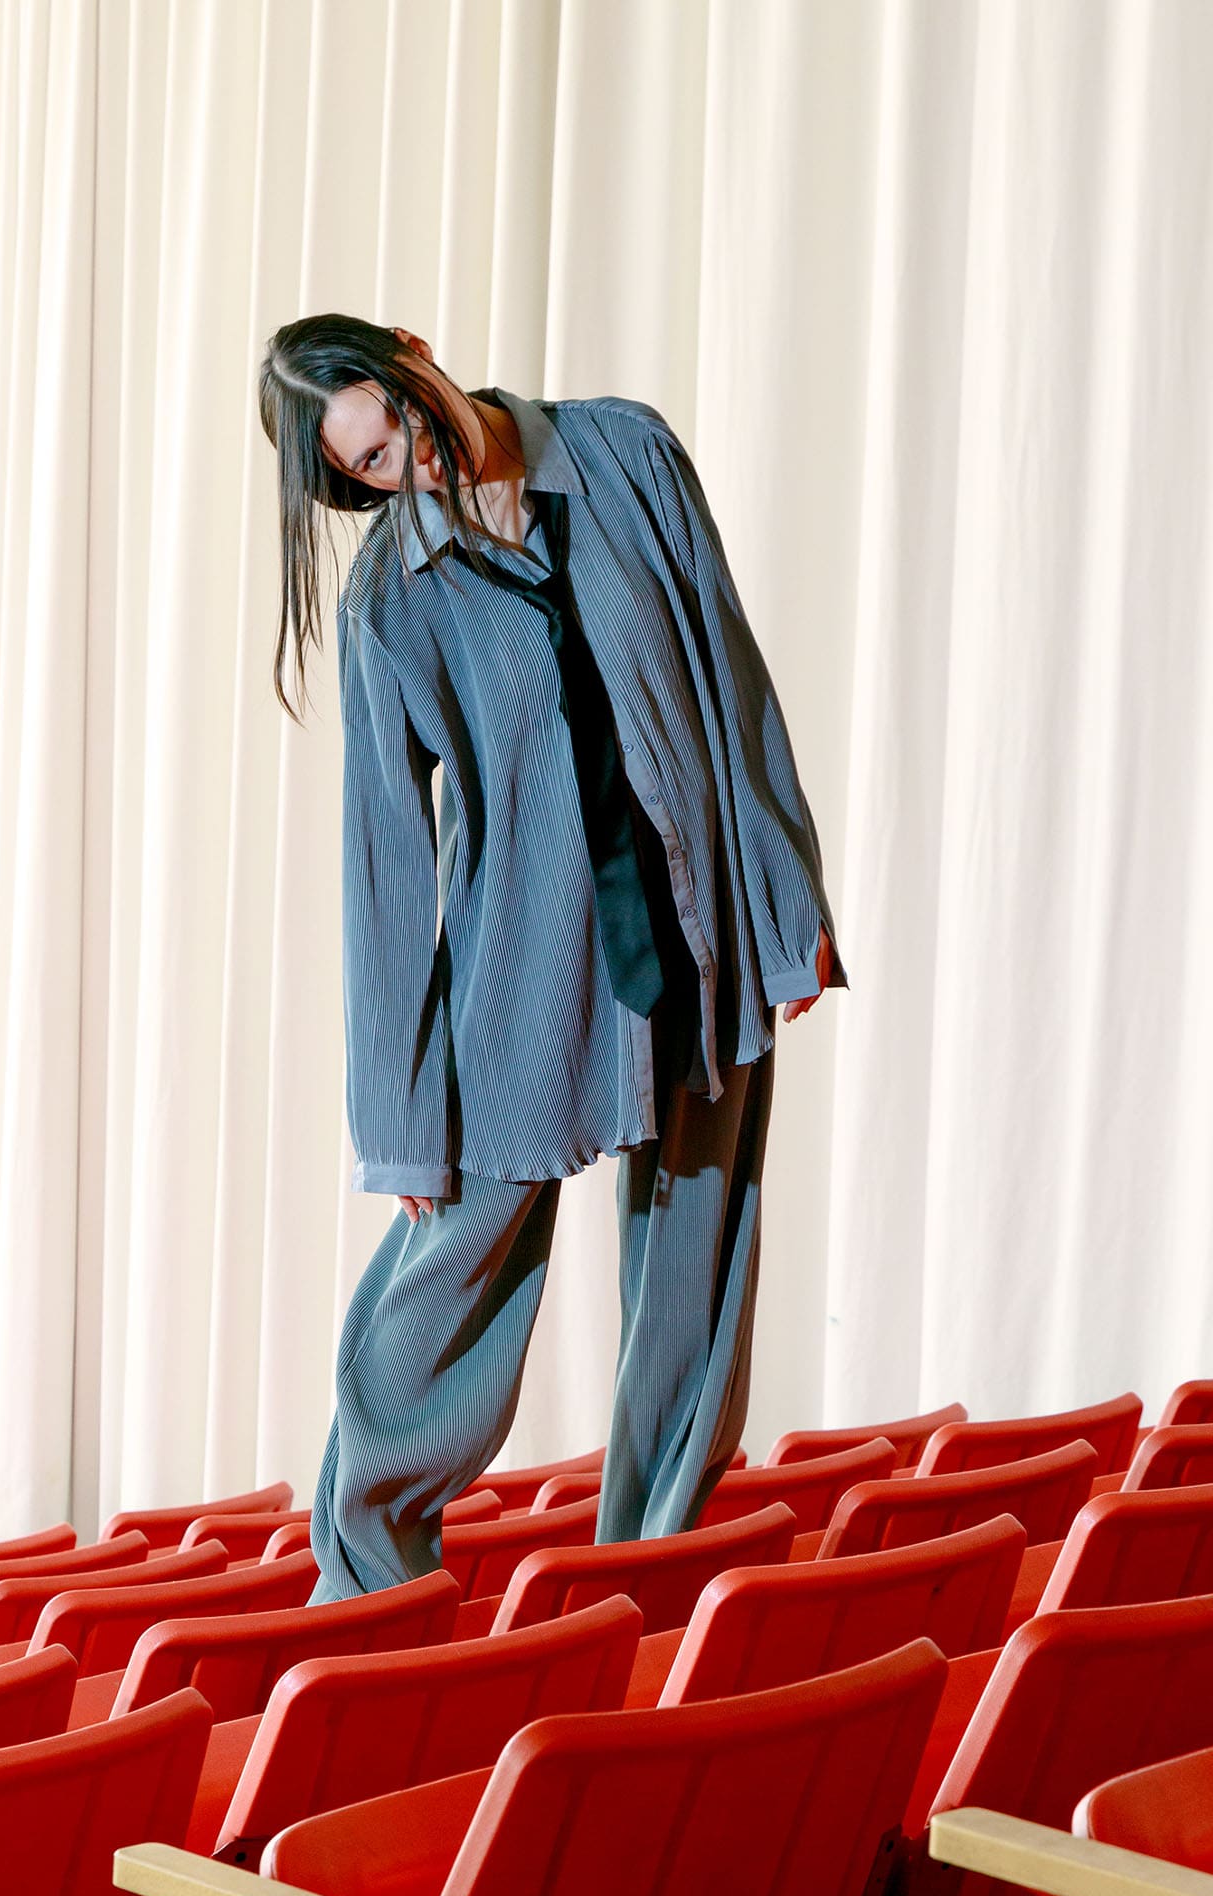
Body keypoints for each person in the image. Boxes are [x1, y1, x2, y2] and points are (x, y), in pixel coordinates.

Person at [258, 312, 846, 1602]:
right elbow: (384, 868)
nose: (406, 464)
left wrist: (788, 902)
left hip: (700, 933)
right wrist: (403, 1120)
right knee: (447, 1294)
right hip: (527, 974)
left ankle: (650, 1591)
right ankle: (368, 1592)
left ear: (414, 353)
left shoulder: (626, 457)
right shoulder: (390, 594)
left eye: (397, 422)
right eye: (366, 469)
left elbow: (732, 677)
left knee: (694, 1284)